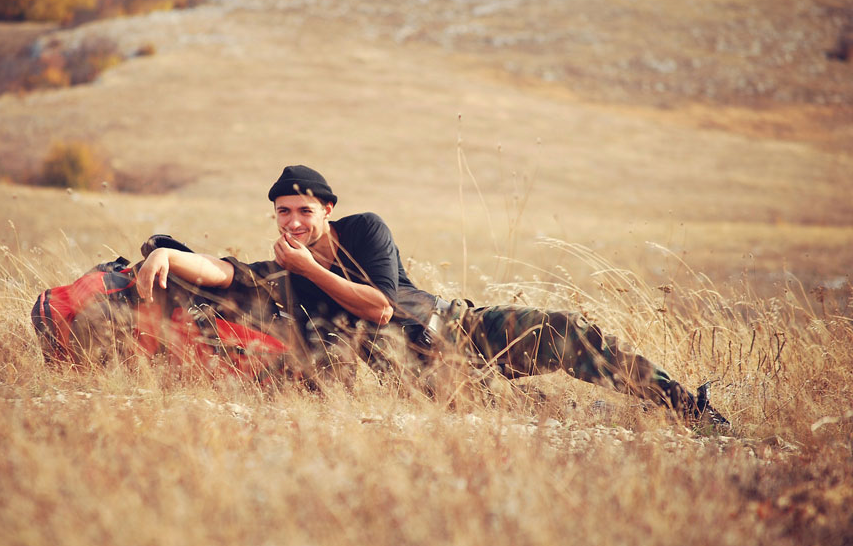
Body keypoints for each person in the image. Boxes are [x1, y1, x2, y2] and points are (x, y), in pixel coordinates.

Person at [136, 165, 729, 425]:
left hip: (458, 327)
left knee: (568, 332)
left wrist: (310, 270)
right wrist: (164, 253)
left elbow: (380, 306)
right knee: (517, 421)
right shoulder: (282, 272)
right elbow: (222, 271)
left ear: (327, 210)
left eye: (304, 211)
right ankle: (578, 417)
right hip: (424, 375)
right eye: (283, 212)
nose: (293, 222)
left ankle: (688, 409)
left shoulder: (364, 230)